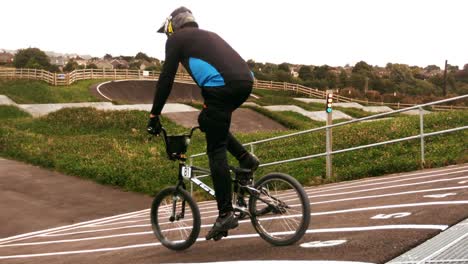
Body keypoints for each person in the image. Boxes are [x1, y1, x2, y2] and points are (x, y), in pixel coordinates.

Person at [147, 6, 260, 241]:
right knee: (209, 122)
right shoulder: (209, 35)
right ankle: (245, 159)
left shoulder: (176, 39)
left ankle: (225, 213)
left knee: (215, 150)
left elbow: (166, 79)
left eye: (167, 31)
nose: (167, 35)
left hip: (221, 88)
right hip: (245, 84)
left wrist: (154, 115)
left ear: (172, 26)